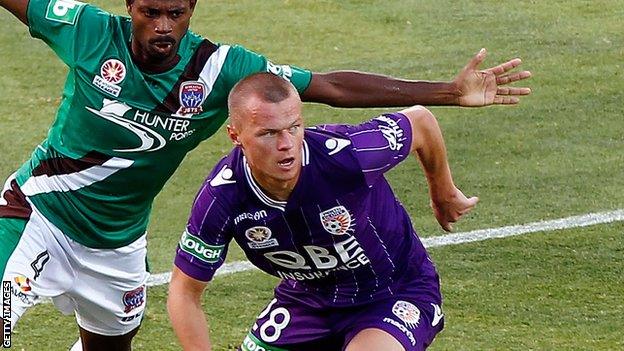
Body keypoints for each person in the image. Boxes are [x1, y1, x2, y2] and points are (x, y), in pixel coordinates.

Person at [0, 0, 530, 349]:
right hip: (37, 210)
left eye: (176, 13)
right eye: (151, 12)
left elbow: (330, 87)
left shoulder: (221, 69)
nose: (163, 25)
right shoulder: (88, 30)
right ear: (130, 7)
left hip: (117, 246)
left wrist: (447, 92)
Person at [168, 72, 479, 350]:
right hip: (308, 301)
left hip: (394, 291)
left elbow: (420, 122)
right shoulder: (222, 197)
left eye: (294, 127)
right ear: (236, 136)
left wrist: (444, 192)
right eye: (268, 133)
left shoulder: (348, 155)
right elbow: (184, 291)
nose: (286, 144)